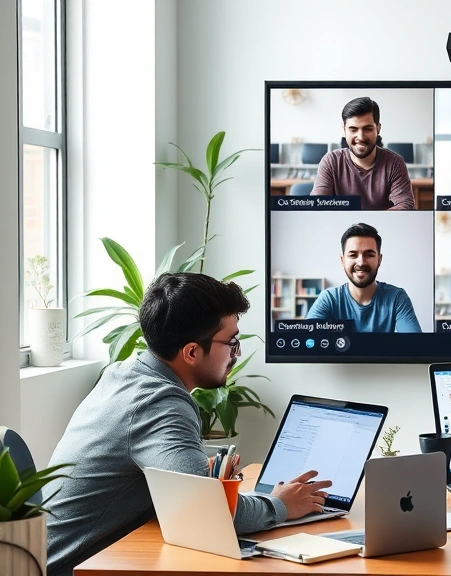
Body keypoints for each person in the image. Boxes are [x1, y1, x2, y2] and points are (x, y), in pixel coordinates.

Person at [43, 273, 332, 576]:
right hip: (69, 568)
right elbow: (209, 513)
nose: (237, 353)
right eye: (231, 342)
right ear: (192, 352)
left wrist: (198, 471)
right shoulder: (161, 404)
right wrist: (280, 505)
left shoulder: (126, 371)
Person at [306, 223, 422, 332]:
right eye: (353, 255)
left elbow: (415, 346)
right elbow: (307, 342)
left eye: (369, 255)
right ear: (342, 260)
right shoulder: (329, 299)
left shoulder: (396, 298)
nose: (361, 262)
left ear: (379, 259)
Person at [310, 96, 415, 210]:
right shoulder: (331, 161)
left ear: (378, 129)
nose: (360, 137)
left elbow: (406, 205)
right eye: (353, 129)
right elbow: (317, 205)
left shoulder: (394, 163)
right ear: (344, 130)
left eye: (368, 129)